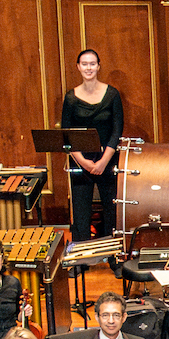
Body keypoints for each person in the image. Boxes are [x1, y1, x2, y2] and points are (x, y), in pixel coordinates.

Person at [59, 47, 125, 242]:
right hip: (80, 161)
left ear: (98, 66)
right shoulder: (70, 98)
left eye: (92, 64)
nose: (89, 68)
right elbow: (67, 133)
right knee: (80, 212)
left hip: (108, 159)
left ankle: (114, 258)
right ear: (78, 67)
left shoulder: (112, 95)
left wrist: (104, 161)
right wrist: (83, 162)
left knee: (112, 209)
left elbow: (116, 130)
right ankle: (82, 260)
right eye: (84, 64)